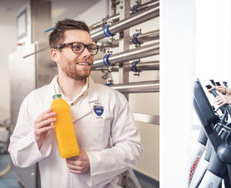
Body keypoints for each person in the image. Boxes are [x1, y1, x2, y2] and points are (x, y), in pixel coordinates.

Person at [8, 19, 142, 187]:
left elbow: (132, 149)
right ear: (55, 54)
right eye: (77, 47)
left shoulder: (113, 99)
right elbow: (16, 156)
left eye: (90, 47)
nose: (87, 54)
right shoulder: (35, 100)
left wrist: (92, 162)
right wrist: (36, 138)